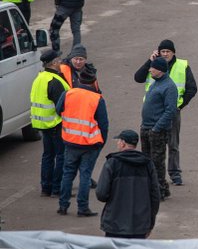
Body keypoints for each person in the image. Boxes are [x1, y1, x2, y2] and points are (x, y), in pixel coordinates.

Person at [133, 40, 197, 186]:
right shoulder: (153, 65)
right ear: (158, 52)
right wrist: (149, 61)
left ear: (174, 53)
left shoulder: (182, 65)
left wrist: (180, 106)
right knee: (151, 148)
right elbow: (138, 78)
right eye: (163, 51)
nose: (166, 54)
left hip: (171, 112)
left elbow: (192, 88)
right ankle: (151, 177)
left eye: (168, 51)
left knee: (173, 144)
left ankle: (174, 174)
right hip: (153, 114)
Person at [56, 66, 108, 216]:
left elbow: (59, 110)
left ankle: (63, 206)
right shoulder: (97, 99)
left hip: (70, 141)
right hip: (90, 144)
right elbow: (104, 124)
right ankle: (82, 208)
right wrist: (101, 143)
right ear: (93, 82)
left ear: (79, 80)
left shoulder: (67, 94)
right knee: (85, 176)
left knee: (68, 173)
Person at [95, 130, 161, 239]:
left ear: (123, 143)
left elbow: (101, 194)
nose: (117, 143)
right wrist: (150, 223)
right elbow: (155, 196)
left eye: (118, 141)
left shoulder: (112, 163)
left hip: (114, 224)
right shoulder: (148, 164)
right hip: (140, 225)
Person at [31, 49, 70, 197]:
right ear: (54, 63)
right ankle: (56, 188)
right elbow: (62, 105)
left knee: (47, 155)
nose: (61, 62)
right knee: (61, 156)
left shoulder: (40, 78)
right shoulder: (55, 81)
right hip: (55, 123)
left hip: (42, 124)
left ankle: (45, 188)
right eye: (59, 60)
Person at [139, 56, 178, 201]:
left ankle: (159, 190)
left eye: (152, 67)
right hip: (147, 128)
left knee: (157, 162)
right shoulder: (155, 83)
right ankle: (157, 188)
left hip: (157, 131)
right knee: (147, 160)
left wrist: (156, 128)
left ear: (160, 70)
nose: (150, 69)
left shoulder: (169, 87)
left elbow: (170, 111)